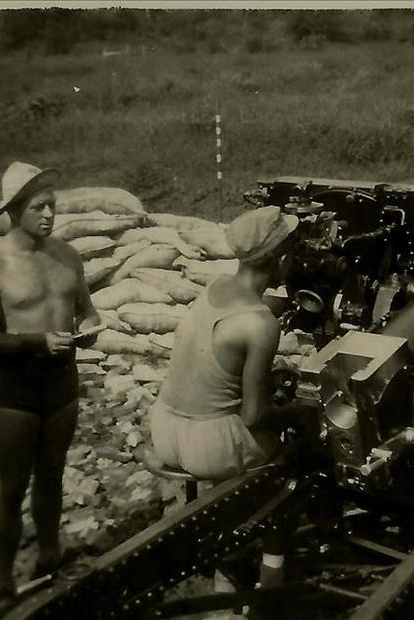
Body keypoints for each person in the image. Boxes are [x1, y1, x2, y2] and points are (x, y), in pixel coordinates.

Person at [0, 161, 102, 610]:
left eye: (52, 205)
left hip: (61, 383)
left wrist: (91, 327)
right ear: (14, 210)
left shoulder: (67, 256)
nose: (49, 214)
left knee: (52, 476)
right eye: (39, 207)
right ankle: (4, 580)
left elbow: (87, 310)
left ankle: (49, 557)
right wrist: (36, 342)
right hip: (16, 389)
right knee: (12, 486)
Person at [150, 205, 300, 592]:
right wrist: (300, 412)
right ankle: (267, 579)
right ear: (282, 259)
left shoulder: (214, 288)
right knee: (294, 464)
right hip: (208, 444)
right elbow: (254, 416)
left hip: (165, 428)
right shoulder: (261, 324)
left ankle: (229, 558)